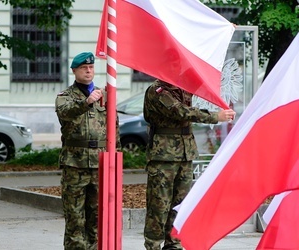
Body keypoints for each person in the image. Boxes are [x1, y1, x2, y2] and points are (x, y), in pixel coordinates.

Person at [143, 79, 236, 250]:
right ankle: (153, 245)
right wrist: (215, 116)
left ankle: (174, 244)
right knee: (159, 207)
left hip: (185, 154)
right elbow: (181, 112)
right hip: (164, 157)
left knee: (180, 205)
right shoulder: (157, 91)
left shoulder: (183, 86)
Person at [55, 52, 120, 250]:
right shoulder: (65, 97)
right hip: (75, 165)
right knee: (75, 218)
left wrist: (114, 159)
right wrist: (86, 102)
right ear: (74, 71)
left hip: (100, 164)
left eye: (91, 67)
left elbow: (114, 129)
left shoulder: (105, 97)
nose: (88, 71)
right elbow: (66, 113)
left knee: (98, 218)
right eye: (84, 68)